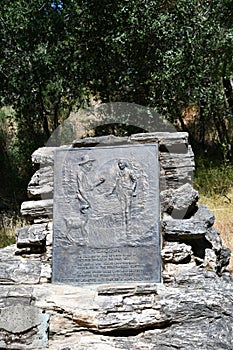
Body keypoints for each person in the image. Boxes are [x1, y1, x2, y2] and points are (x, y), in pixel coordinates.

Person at [107, 159, 137, 235]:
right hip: (120, 193)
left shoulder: (130, 172)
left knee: (127, 211)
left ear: (124, 164)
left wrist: (132, 190)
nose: (120, 165)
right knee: (122, 211)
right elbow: (115, 183)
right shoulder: (118, 173)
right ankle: (123, 229)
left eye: (121, 164)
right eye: (118, 164)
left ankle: (129, 230)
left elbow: (135, 181)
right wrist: (111, 191)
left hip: (128, 192)